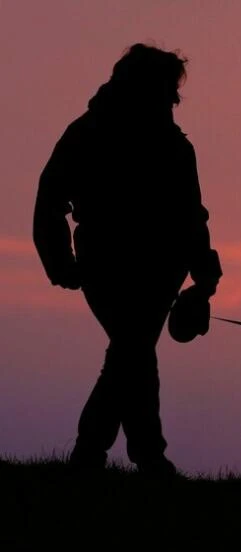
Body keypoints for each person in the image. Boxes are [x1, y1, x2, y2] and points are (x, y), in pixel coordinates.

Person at [33, 43, 222, 477]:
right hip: (108, 263)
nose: (174, 99)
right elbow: (50, 199)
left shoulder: (169, 145)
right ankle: (132, 454)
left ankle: (118, 455)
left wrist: (204, 273)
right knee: (133, 350)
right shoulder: (91, 134)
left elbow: (191, 214)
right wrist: (59, 260)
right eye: (169, 90)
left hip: (157, 269)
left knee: (132, 352)